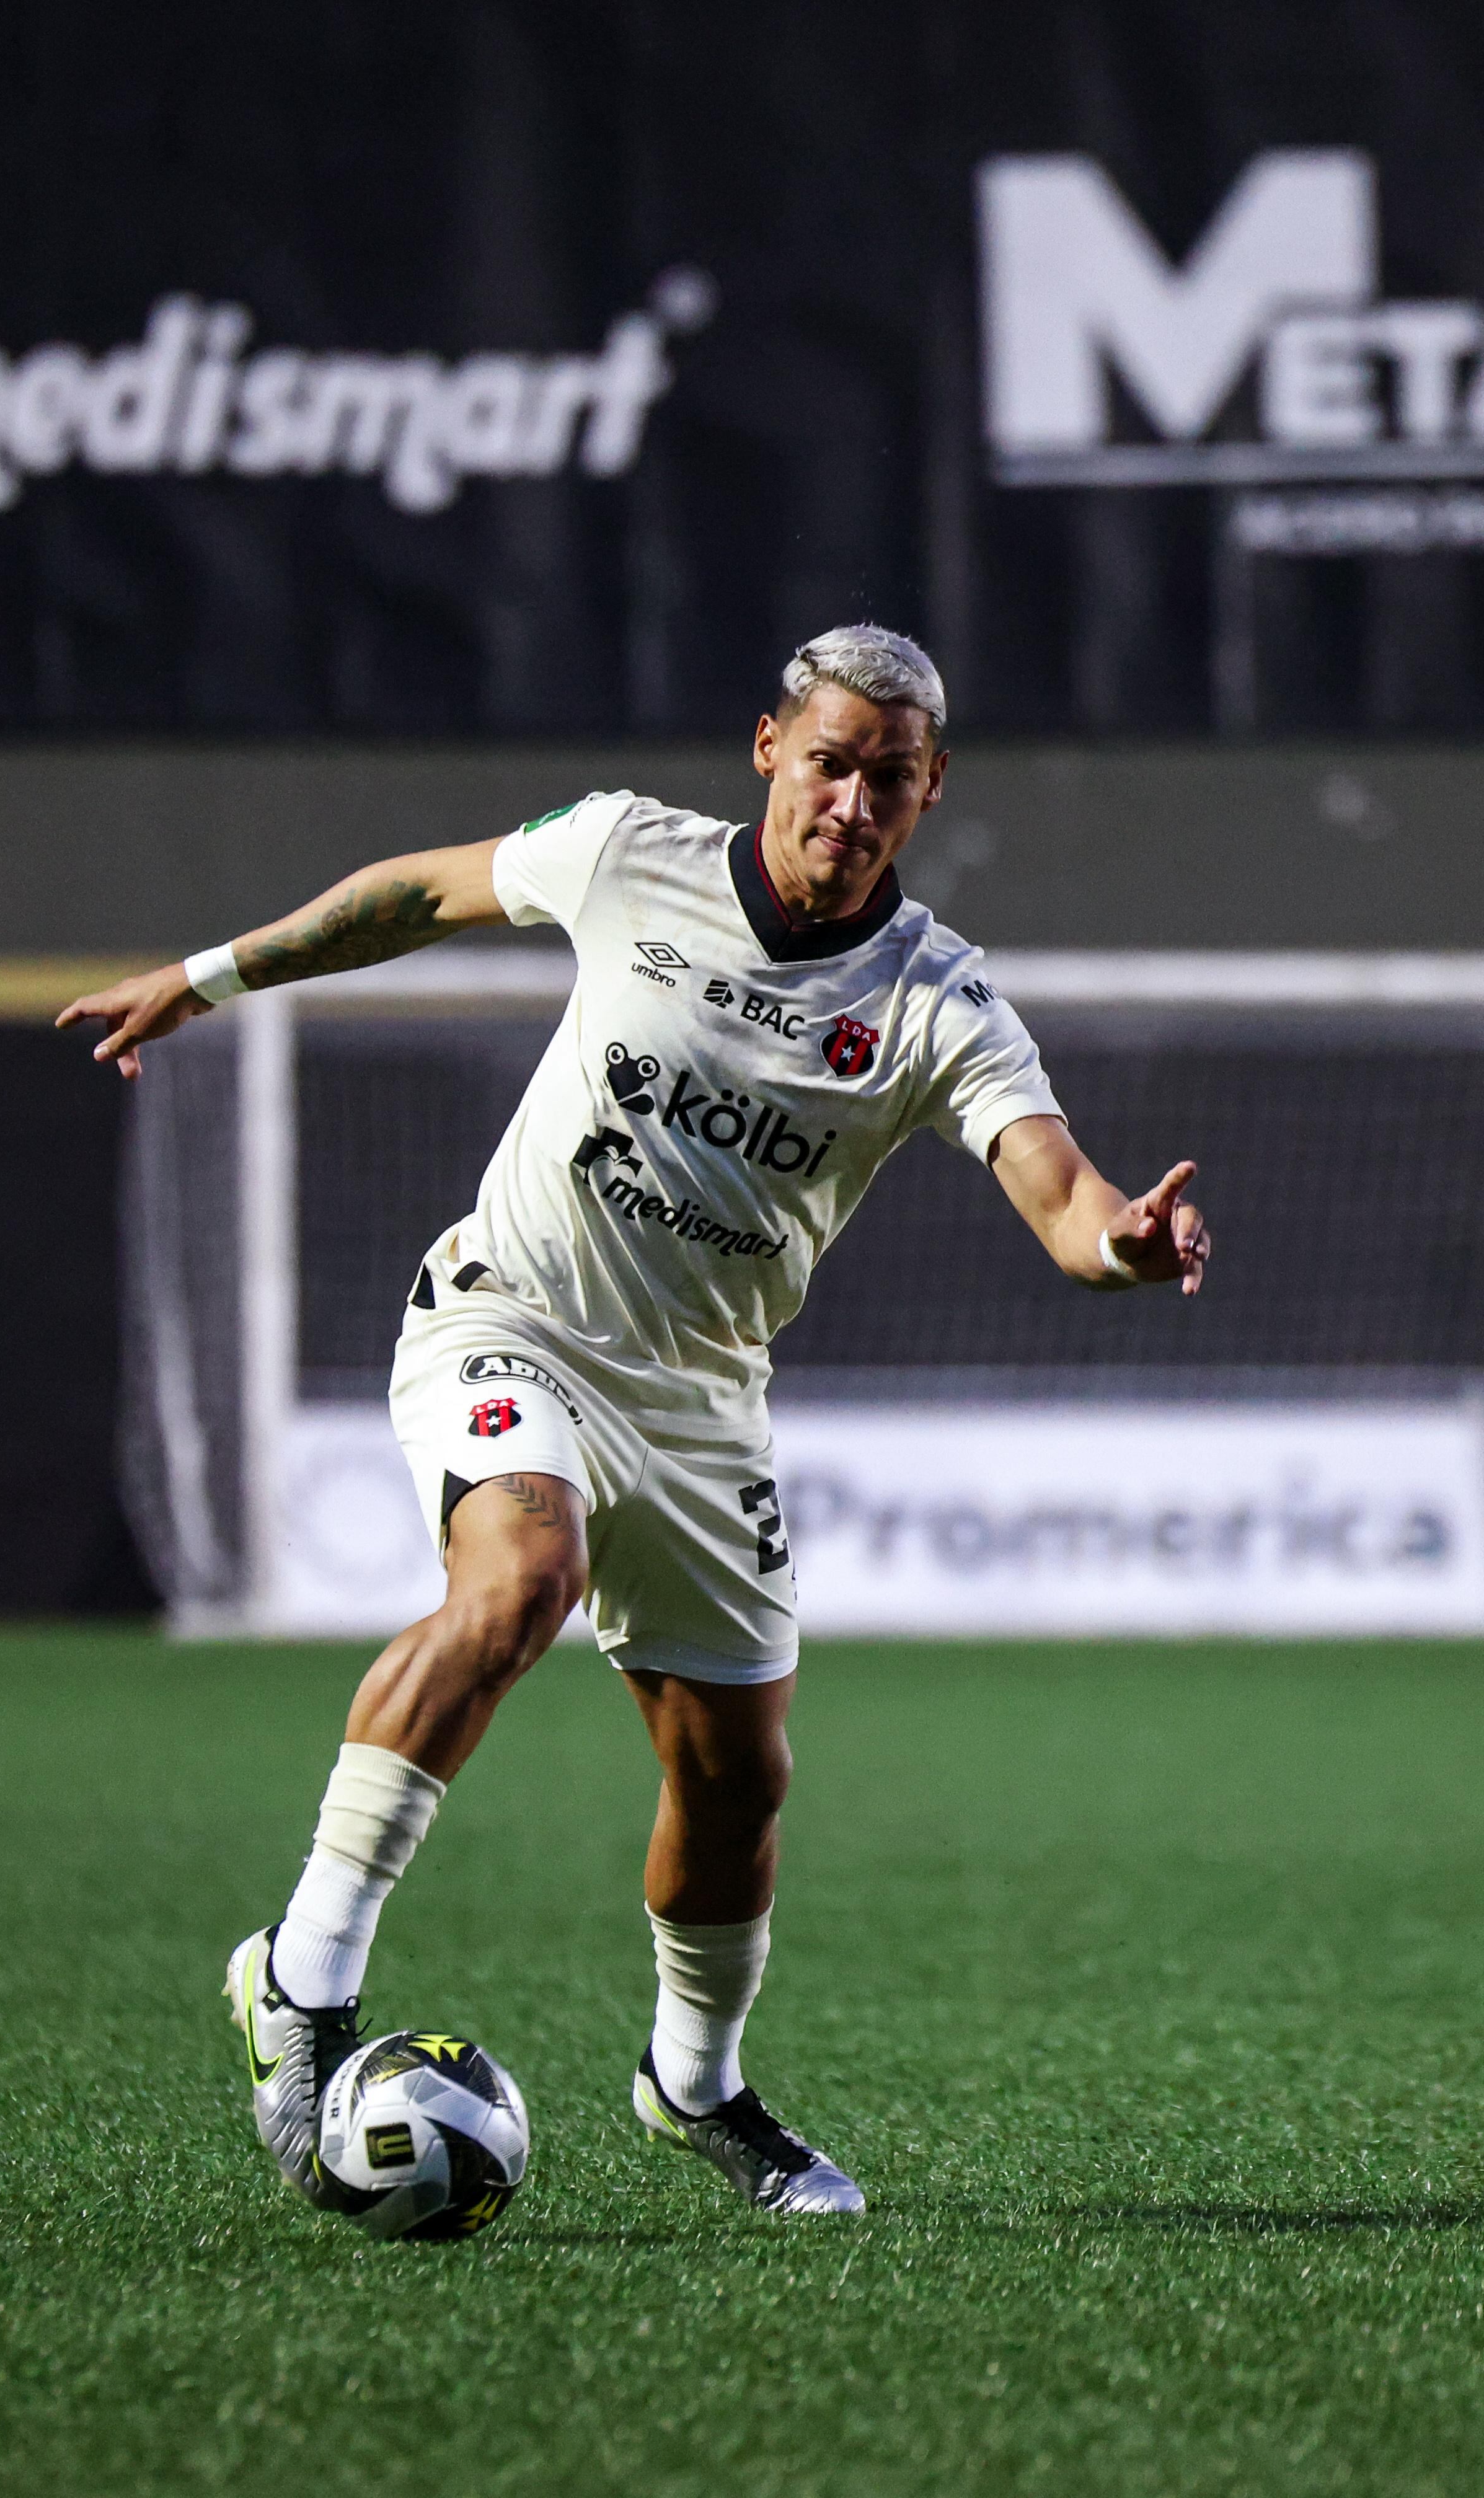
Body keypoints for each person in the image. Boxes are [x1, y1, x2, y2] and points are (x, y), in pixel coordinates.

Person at [58, 624, 1209, 2219]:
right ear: (768, 752)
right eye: (829, 763)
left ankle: (696, 2083)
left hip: (703, 1403)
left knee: (736, 1779)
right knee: (514, 1585)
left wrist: (1121, 1246)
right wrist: (208, 977)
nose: (853, 801)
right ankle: (303, 1978)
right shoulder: (625, 854)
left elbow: (1058, 1187)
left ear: (930, 787)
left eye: (891, 777)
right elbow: (417, 893)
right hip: (510, 1319)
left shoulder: (937, 995)